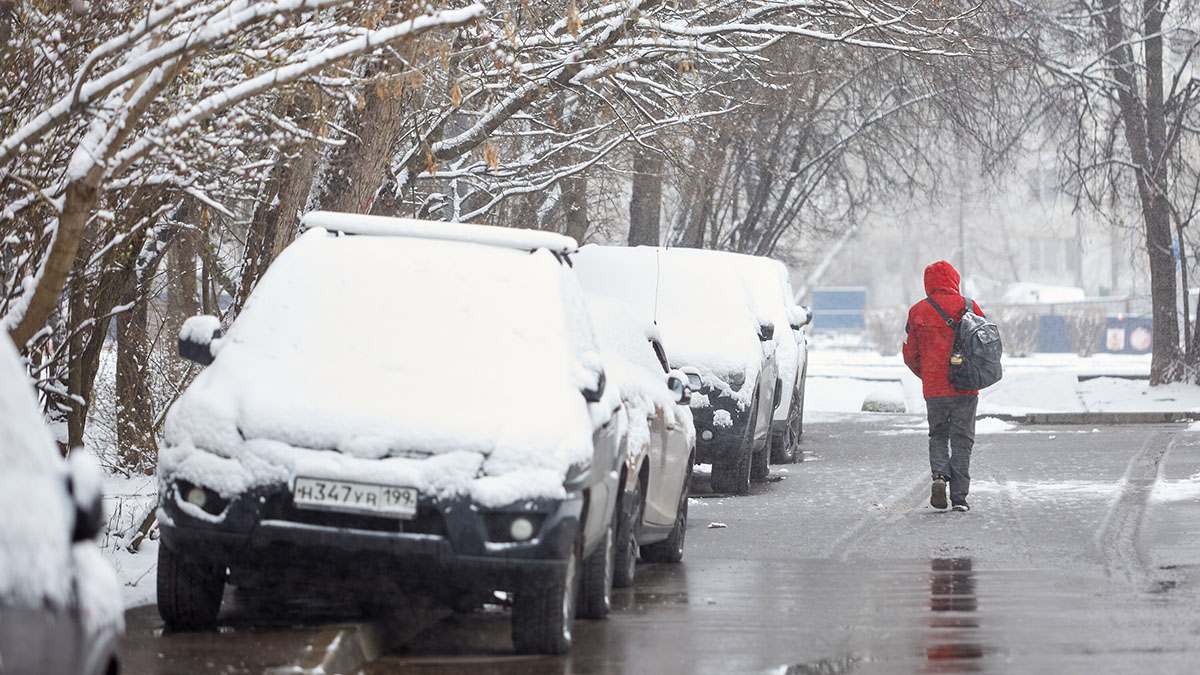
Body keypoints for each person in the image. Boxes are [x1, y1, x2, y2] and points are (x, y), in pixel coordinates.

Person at [902, 260, 985, 513]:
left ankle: (939, 476)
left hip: (935, 390)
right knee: (962, 440)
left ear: (928, 283)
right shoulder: (970, 307)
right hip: (965, 388)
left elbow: (909, 353)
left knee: (938, 435)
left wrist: (927, 374)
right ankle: (959, 498)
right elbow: (984, 345)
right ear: (954, 281)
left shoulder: (917, 312)